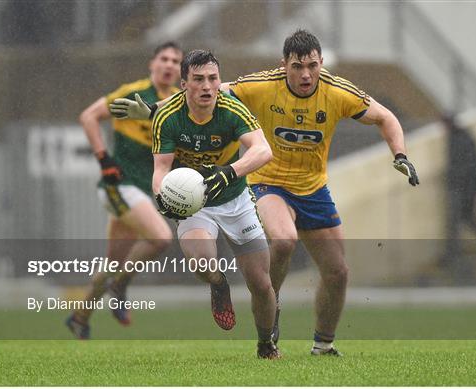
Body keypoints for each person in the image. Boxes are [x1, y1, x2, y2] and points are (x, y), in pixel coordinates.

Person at [112, 30, 419, 356]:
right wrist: (150, 110)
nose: (305, 74)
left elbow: (385, 118)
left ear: (321, 64)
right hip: (267, 183)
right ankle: (270, 306)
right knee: (284, 239)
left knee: (338, 272)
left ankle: (323, 344)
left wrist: (399, 154)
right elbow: (204, 92)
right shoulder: (260, 85)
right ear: (283, 64)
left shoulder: (335, 91)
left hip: (313, 188)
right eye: (298, 66)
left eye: (312, 66)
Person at [151, 49, 279, 359]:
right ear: (184, 84)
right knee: (202, 262)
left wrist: (230, 172)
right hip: (196, 203)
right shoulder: (167, 117)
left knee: (261, 283)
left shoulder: (232, 109)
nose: (207, 86)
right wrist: (162, 198)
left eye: (213, 78)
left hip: (236, 199)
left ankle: (266, 343)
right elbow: (160, 171)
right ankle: (218, 284)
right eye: (198, 79)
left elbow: (263, 151)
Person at [65, 42, 183, 339]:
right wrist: (104, 159)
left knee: (113, 263)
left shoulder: (175, 103)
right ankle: (121, 283)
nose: (169, 65)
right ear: (152, 63)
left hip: (141, 193)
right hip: (119, 186)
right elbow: (88, 116)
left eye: (175, 61)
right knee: (160, 237)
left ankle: (79, 317)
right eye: (164, 59)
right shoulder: (134, 92)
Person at [442, 113, 476, 268]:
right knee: (467, 218)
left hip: (462, 188)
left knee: (455, 222)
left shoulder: (458, 140)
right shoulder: (465, 138)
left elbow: (461, 167)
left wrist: (453, 181)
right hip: (468, 187)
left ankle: (453, 256)